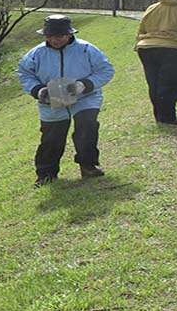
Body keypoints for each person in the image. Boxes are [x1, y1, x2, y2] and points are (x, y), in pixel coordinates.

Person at [16, 14, 116, 187]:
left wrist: (85, 85)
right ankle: (46, 174)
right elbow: (25, 74)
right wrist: (37, 90)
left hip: (85, 97)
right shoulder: (35, 53)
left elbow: (105, 70)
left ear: (69, 34)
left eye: (60, 36)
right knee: (51, 138)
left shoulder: (87, 49)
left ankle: (88, 165)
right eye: (50, 36)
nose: (55, 40)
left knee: (87, 127)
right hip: (50, 100)